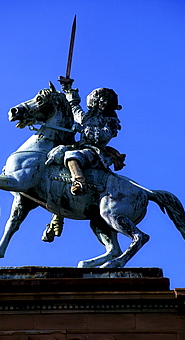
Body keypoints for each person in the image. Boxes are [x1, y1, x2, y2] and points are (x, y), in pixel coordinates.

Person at [42, 82, 125, 242]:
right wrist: (68, 91)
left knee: (71, 156)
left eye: (103, 101)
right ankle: (57, 215)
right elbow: (75, 110)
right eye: (99, 100)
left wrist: (84, 130)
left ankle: (80, 183)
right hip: (81, 147)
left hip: (95, 151)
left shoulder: (111, 120)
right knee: (55, 163)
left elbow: (104, 136)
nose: (100, 103)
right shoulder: (88, 116)